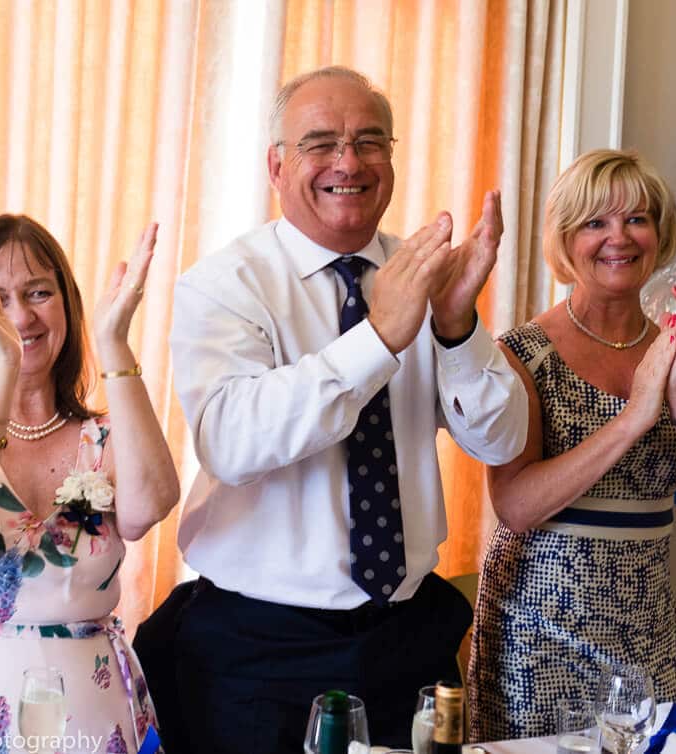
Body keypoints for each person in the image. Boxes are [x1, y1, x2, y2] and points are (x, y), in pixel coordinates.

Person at [135, 66, 528, 754]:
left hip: (404, 638)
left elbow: (500, 440)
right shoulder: (225, 286)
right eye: (321, 143)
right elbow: (231, 441)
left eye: (370, 141)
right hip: (257, 651)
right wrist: (376, 340)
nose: (349, 162)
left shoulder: (422, 272)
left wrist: (458, 326)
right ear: (276, 165)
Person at [466, 149, 676, 742]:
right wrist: (633, 418)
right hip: (536, 632)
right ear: (566, 240)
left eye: (636, 219)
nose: (618, 238)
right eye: (596, 223)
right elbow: (516, 507)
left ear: (659, 233)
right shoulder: (523, 355)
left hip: (645, 632)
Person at [0, 214, 179, 754]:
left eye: (38, 292)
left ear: (67, 304)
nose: (21, 315)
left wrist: (114, 343)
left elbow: (150, 508)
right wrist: (2, 362)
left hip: (95, 722)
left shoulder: (106, 434)